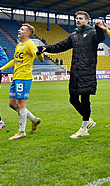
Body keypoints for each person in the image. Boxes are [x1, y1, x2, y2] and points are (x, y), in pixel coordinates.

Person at [38, 11, 105, 139]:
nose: (78, 20)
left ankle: (84, 127)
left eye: (80, 18)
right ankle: (88, 120)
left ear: (86, 21)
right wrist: (45, 48)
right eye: (76, 18)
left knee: (85, 99)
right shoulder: (73, 35)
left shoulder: (92, 32)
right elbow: (59, 46)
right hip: (75, 72)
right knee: (73, 99)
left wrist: (99, 28)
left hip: (87, 71)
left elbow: (100, 38)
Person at [0, 24, 44, 140]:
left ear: (28, 33)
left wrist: (39, 54)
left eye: (22, 29)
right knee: (12, 104)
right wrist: (0, 69)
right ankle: (34, 119)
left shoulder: (30, 44)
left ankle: (21, 131)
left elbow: (39, 58)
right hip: (16, 77)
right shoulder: (19, 45)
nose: (19, 30)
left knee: (21, 104)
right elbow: (14, 60)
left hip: (24, 77)